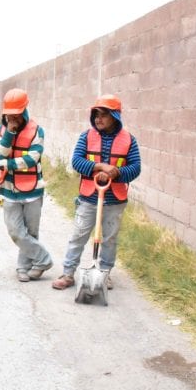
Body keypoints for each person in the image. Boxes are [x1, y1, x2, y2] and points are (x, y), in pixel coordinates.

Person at [52, 94, 142, 290]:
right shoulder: (86, 136)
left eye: (104, 115)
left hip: (115, 199)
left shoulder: (129, 140)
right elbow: (76, 161)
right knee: (78, 235)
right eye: (96, 115)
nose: (98, 119)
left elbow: (135, 168)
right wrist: (99, 167)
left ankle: (104, 273)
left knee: (109, 238)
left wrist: (116, 172)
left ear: (115, 117)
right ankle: (68, 273)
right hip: (89, 198)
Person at [0, 88, 53, 282]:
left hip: (33, 189)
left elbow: (32, 159)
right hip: (9, 190)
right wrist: (9, 131)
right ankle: (44, 259)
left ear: (24, 110)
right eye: (9, 114)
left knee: (31, 232)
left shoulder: (37, 131)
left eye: (16, 114)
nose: (12, 118)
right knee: (16, 231)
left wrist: (6, 165)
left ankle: (24, 267)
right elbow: (0, 154)